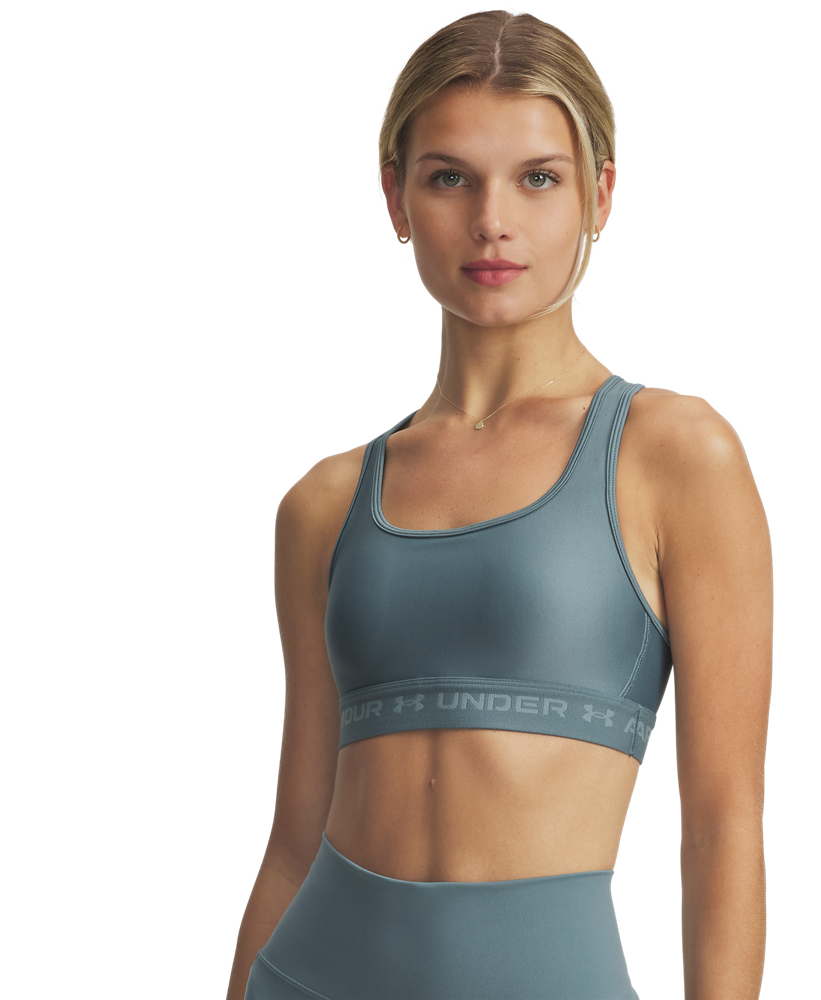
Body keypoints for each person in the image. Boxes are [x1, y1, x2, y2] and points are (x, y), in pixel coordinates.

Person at [227, 10, 772, 1000]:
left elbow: (722, 826)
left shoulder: (674, 456)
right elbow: (293, 838)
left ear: (600, 194)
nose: (492, 219)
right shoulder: (324, 503)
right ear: (394, 197)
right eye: (449, 177)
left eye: (538, 178)